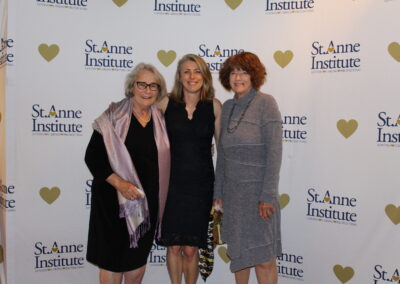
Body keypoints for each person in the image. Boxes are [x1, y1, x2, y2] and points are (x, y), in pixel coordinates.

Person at [84, 63, 170, 284]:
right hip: (113, 204)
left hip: (146, 204)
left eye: (153, 85)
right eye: (142, 84)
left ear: (159, 91)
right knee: (112, 264)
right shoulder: (113, 115)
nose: (147, 90)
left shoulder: (160, 120)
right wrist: (121, 185)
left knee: (136, 265)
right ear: (132, 86)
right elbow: (93, 157)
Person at [213, 52, 282, 284]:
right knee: (239, 258)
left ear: (254, 75)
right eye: (233, 72)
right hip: (233, 197)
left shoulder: (266, 103)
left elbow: (274, 154)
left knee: (264, 259)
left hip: (259, 197)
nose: (238, 77)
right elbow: (222, 155)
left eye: (243, 72)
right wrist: (218, 194)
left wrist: (267, 196)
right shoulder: (228, 107)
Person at [157, 54, 222, 284]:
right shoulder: (165, 102)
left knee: (191, 250)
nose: (192, 76)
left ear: (204, 76)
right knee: (173, 246)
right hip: (171, 185)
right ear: (179, 76)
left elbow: (222, 151)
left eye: (197, 71)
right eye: (186, 71)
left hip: (201, 186)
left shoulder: (214, 106)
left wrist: (220, 192)